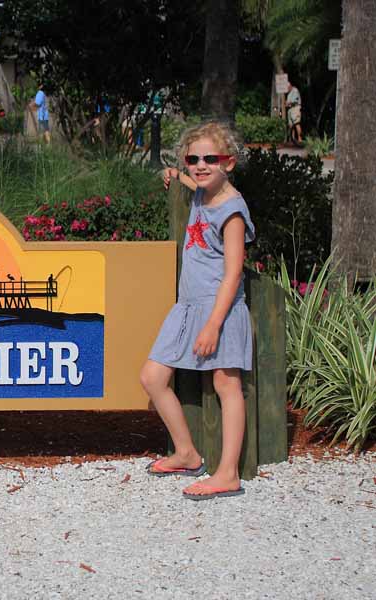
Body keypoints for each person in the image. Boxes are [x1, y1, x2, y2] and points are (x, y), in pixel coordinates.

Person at [141, 121, 255, 501]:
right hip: (186, 307)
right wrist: (175, 174)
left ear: (230, 162)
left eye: (210, 158)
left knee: (227, 384)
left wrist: (213, 325)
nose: (201, 165)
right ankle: (187, 453)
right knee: (153, 377)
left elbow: (234, 272)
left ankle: (228, 473)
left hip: (218, 310)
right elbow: (194, 181)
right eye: (193, 159)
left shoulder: (233, 210)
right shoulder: (202, 191)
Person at [285, 78, 302, 146]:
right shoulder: (289, 93)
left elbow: (294, 101)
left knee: (296, 123)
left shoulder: (295, 90)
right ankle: (292, 139)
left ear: (289, 86)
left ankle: (300, 139)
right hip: (290, 109)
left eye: (287, 88)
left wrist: (288, 103)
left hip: (295, 108)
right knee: (291, 125)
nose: (286, 89)